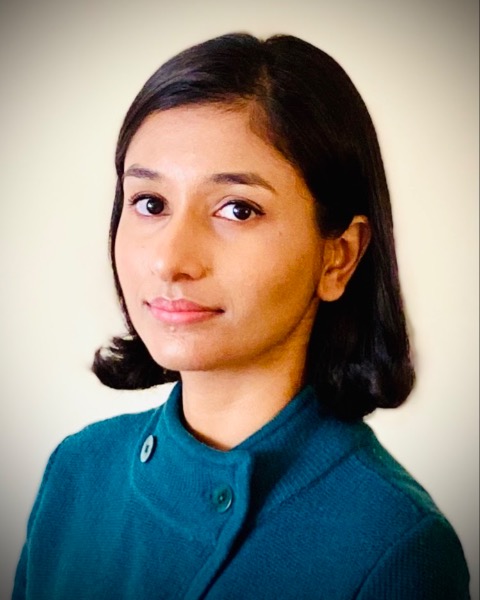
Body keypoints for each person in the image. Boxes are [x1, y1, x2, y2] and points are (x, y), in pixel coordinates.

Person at [13, 32, 470, 599]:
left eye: (237, 209)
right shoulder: (78, 470)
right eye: (150, 203)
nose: (170, 261)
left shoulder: (395, 546)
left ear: (339, 256)